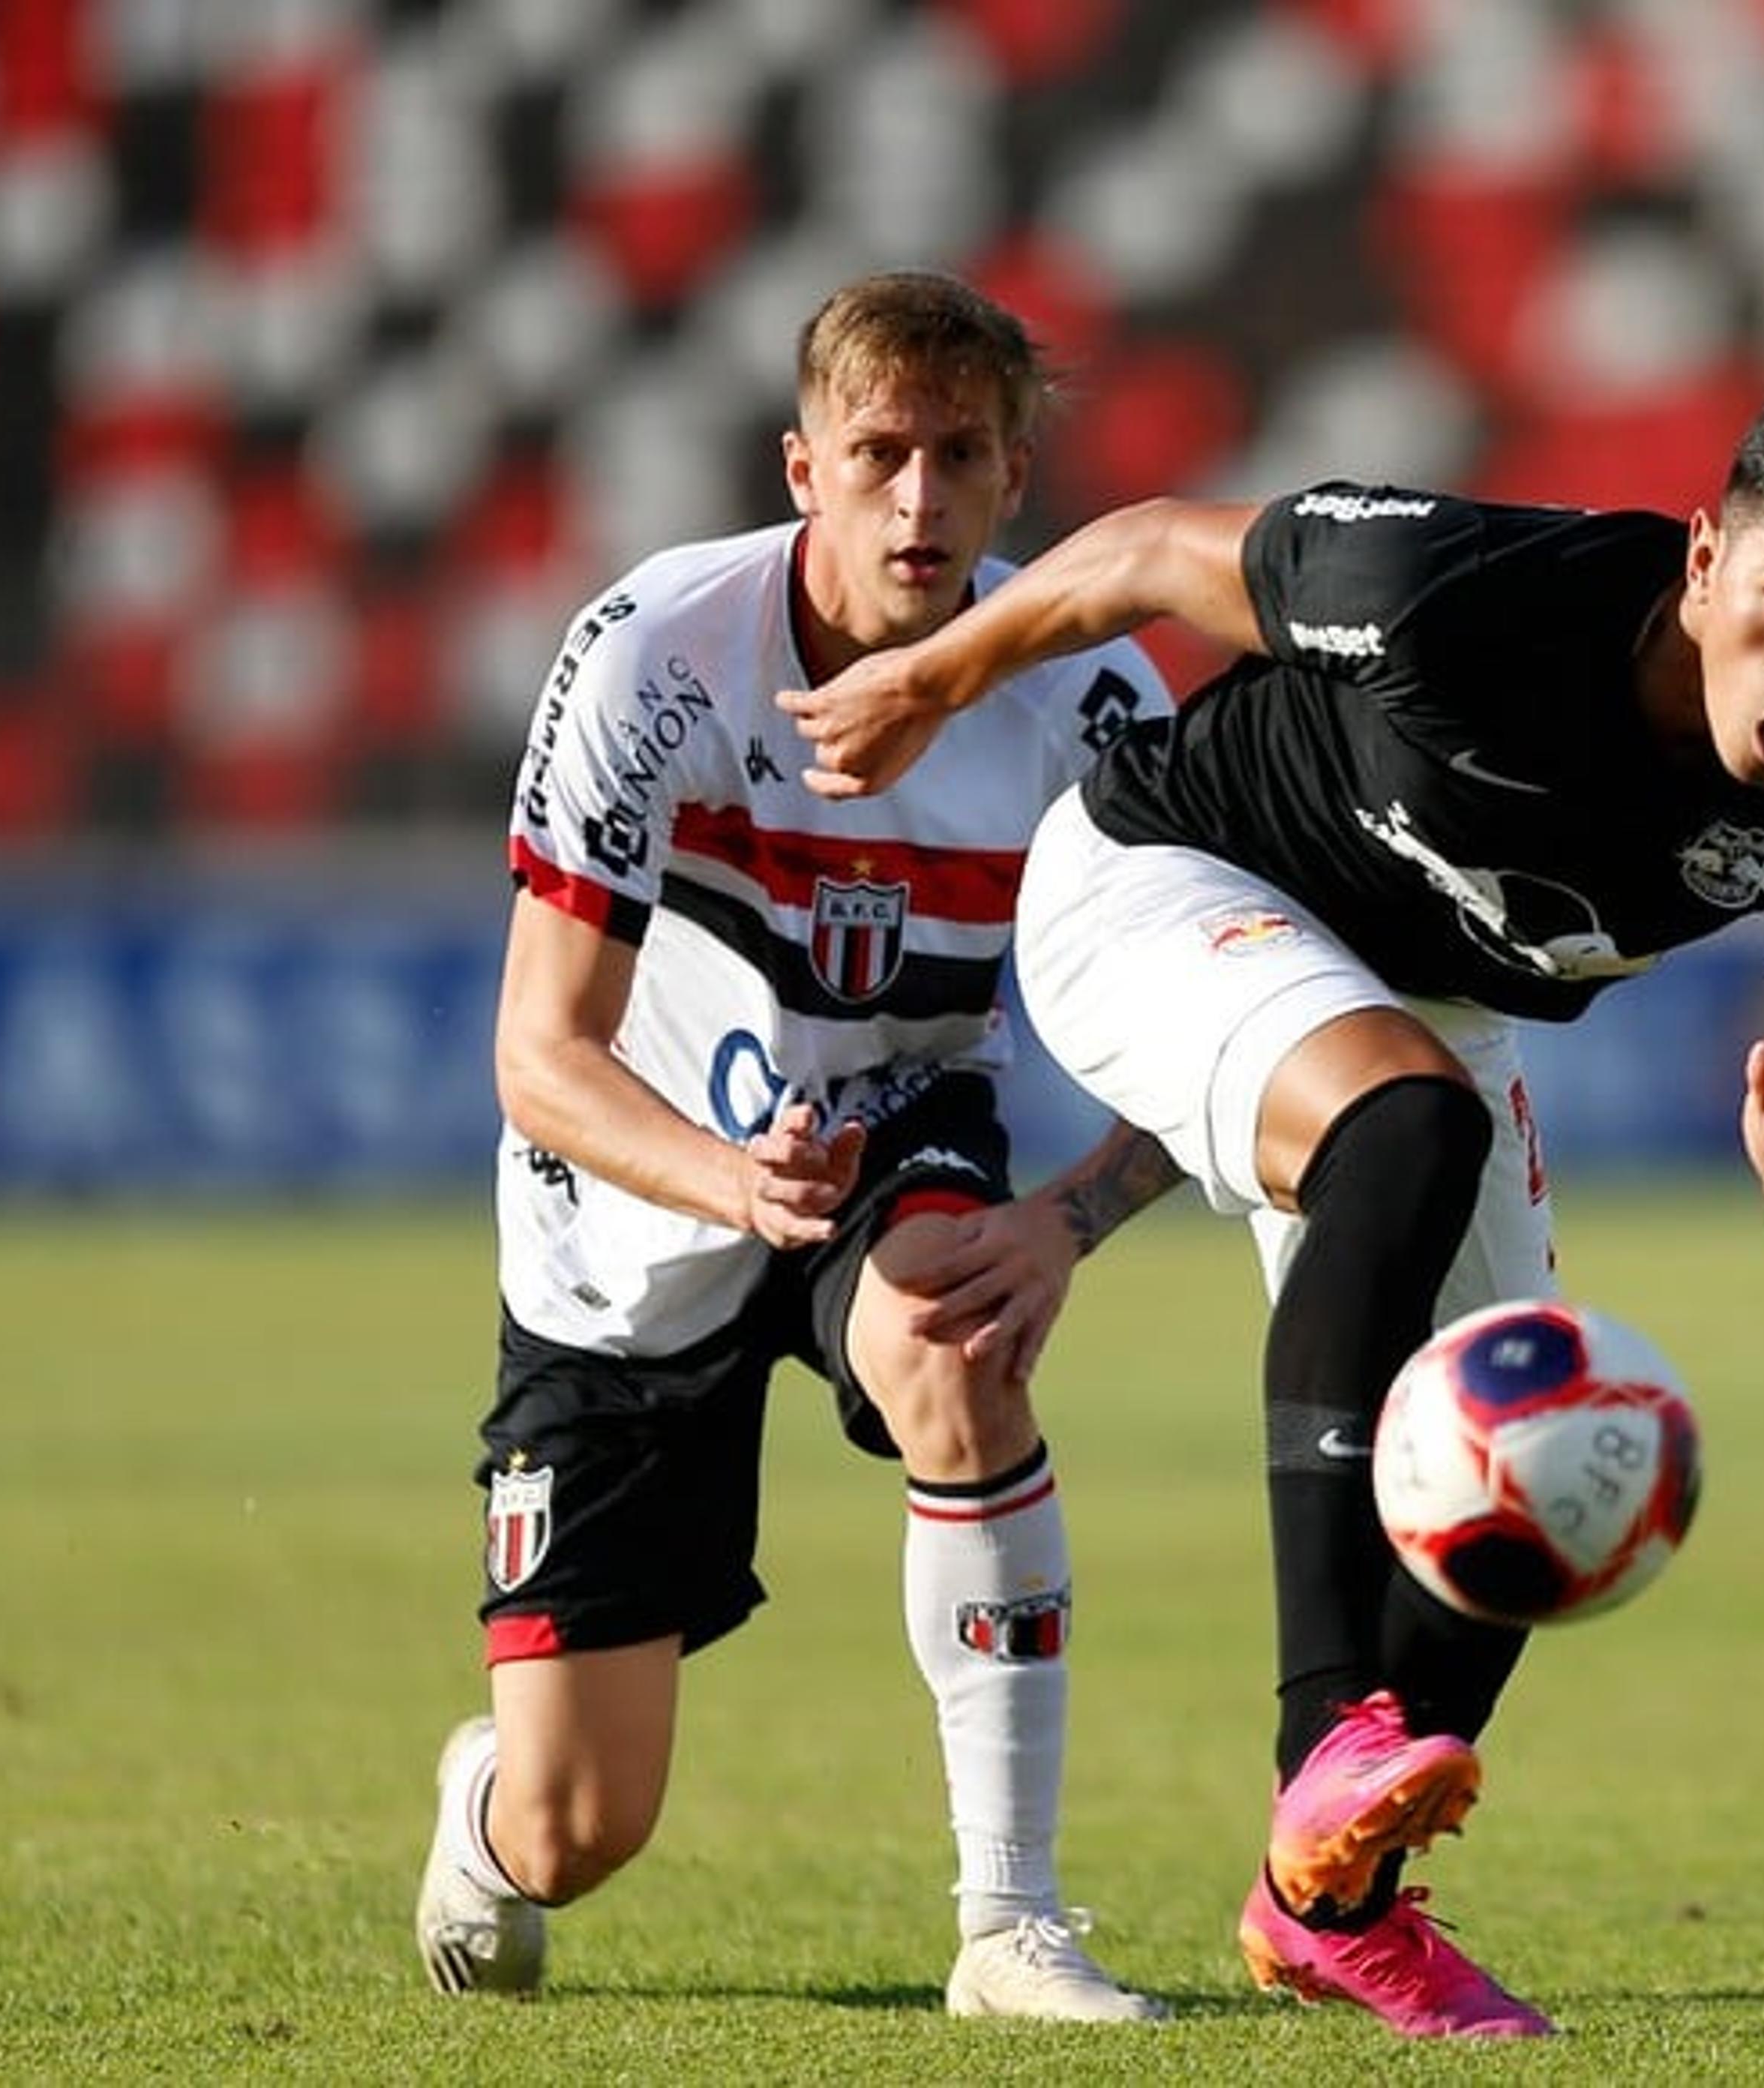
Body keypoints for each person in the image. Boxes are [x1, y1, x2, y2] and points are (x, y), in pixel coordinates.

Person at [777, 364, 1764, 2038]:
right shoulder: (1454, 592)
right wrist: (929, 679)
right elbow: (1141, 549)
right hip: (1164, 883)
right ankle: (1325, 1738)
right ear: (1707, 556)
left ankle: (1326, 1903)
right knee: (1411, 1131)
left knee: (1561, 1461)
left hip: (1415, 1008)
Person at [413, 270, 1188, 2020]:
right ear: (801, 468)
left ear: (1013, 482)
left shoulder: (1093, 699)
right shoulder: (650, 661)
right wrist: (721, 1178)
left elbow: (1233, 1012)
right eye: (880, 452)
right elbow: (540, 1055)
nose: (918, 499)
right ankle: (488, 1802)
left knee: (956, 1347)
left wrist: (1072, 1216)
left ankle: (1011, 1928)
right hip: (624, 1214)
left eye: (961, 457)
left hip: (898, 1122)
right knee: (579, 1828)